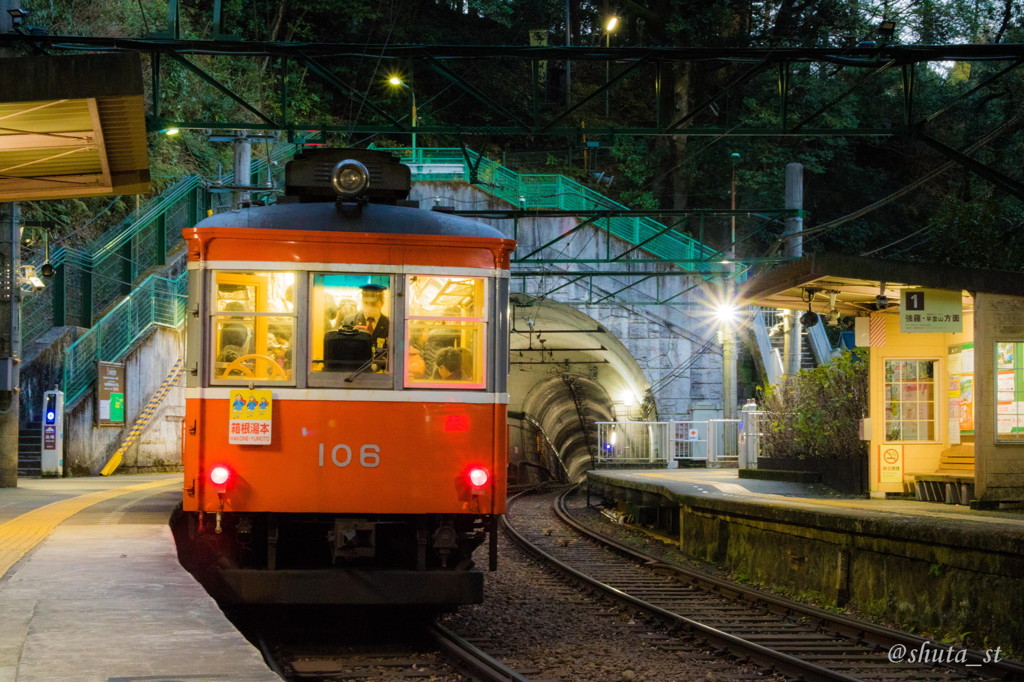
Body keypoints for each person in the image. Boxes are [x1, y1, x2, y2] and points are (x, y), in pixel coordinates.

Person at [343, 284, 390, 368]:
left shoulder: (389, 323)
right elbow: (343, 349)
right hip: (355, 370)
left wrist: (378, 365)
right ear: (362, 302)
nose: (369, 306)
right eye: (366, 303)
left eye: (373, 304)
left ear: (382, 303)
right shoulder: (350, 322)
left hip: (382, 373)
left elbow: (395, 352)